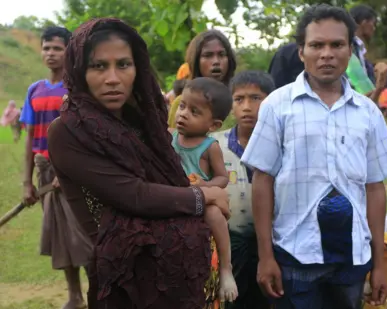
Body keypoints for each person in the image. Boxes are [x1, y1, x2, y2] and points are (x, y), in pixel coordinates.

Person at [47, 18, 230, 309]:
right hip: (125, 275)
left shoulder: (148, 120)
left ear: (137, 67)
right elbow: (132, 194)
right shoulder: (67, 130)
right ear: (79, 69)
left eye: (123, 64)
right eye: (98, 66)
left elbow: (171, 178)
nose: (112, 78)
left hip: (184, 270)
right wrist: (204, 195)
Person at [241, 4, 387, 309]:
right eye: (316, 45)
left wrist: (379, 264)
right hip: (293, 255)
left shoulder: (367, 113)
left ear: (351, 51)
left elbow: (374, 188)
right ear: (301, 51)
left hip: (353, 258)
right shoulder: (278, 106)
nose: (326, 53)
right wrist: (265, 256)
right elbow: (262, 180)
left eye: (337, 44)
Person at [19, 26, 92, 309]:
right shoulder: (34, 91)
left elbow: (85, 136)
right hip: (44, 171)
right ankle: (74, 296)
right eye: (46, 47)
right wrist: (27, 182)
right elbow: (30, 139)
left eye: (57, 48)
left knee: (84, 236)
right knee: (60, 236)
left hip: (73, 173)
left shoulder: (77, 89)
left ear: (69, 51)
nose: (51, 53)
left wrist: (69, 171)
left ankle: (99, 292)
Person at [170, 77, 238, 303]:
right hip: (174, 201)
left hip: (203, 200)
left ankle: (227, 269)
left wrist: (203, 186)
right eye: (182, 106)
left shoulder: (210, 147)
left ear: (213, 125)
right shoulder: (170, 137)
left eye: (194, 111)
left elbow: (222, 178)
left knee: (214, 214)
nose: (183, 114)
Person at [211, 70, 274, 309]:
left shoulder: (281, 143)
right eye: (239, 99)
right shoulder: (214, 145)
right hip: (228, 244)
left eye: (256, 98)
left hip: (270, 246)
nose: (247, 106)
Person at [167, 30, 236, 128]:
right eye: (208, 55)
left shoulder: (240, 101)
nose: (216, 61)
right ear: (196, 61)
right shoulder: (181, 104)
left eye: (221, 54)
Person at [349, 4, 387, 103]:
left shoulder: (359, 48)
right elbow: (361, 89)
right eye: (373, 23)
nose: (374, 28)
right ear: (363, 22)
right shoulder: (350, 48)